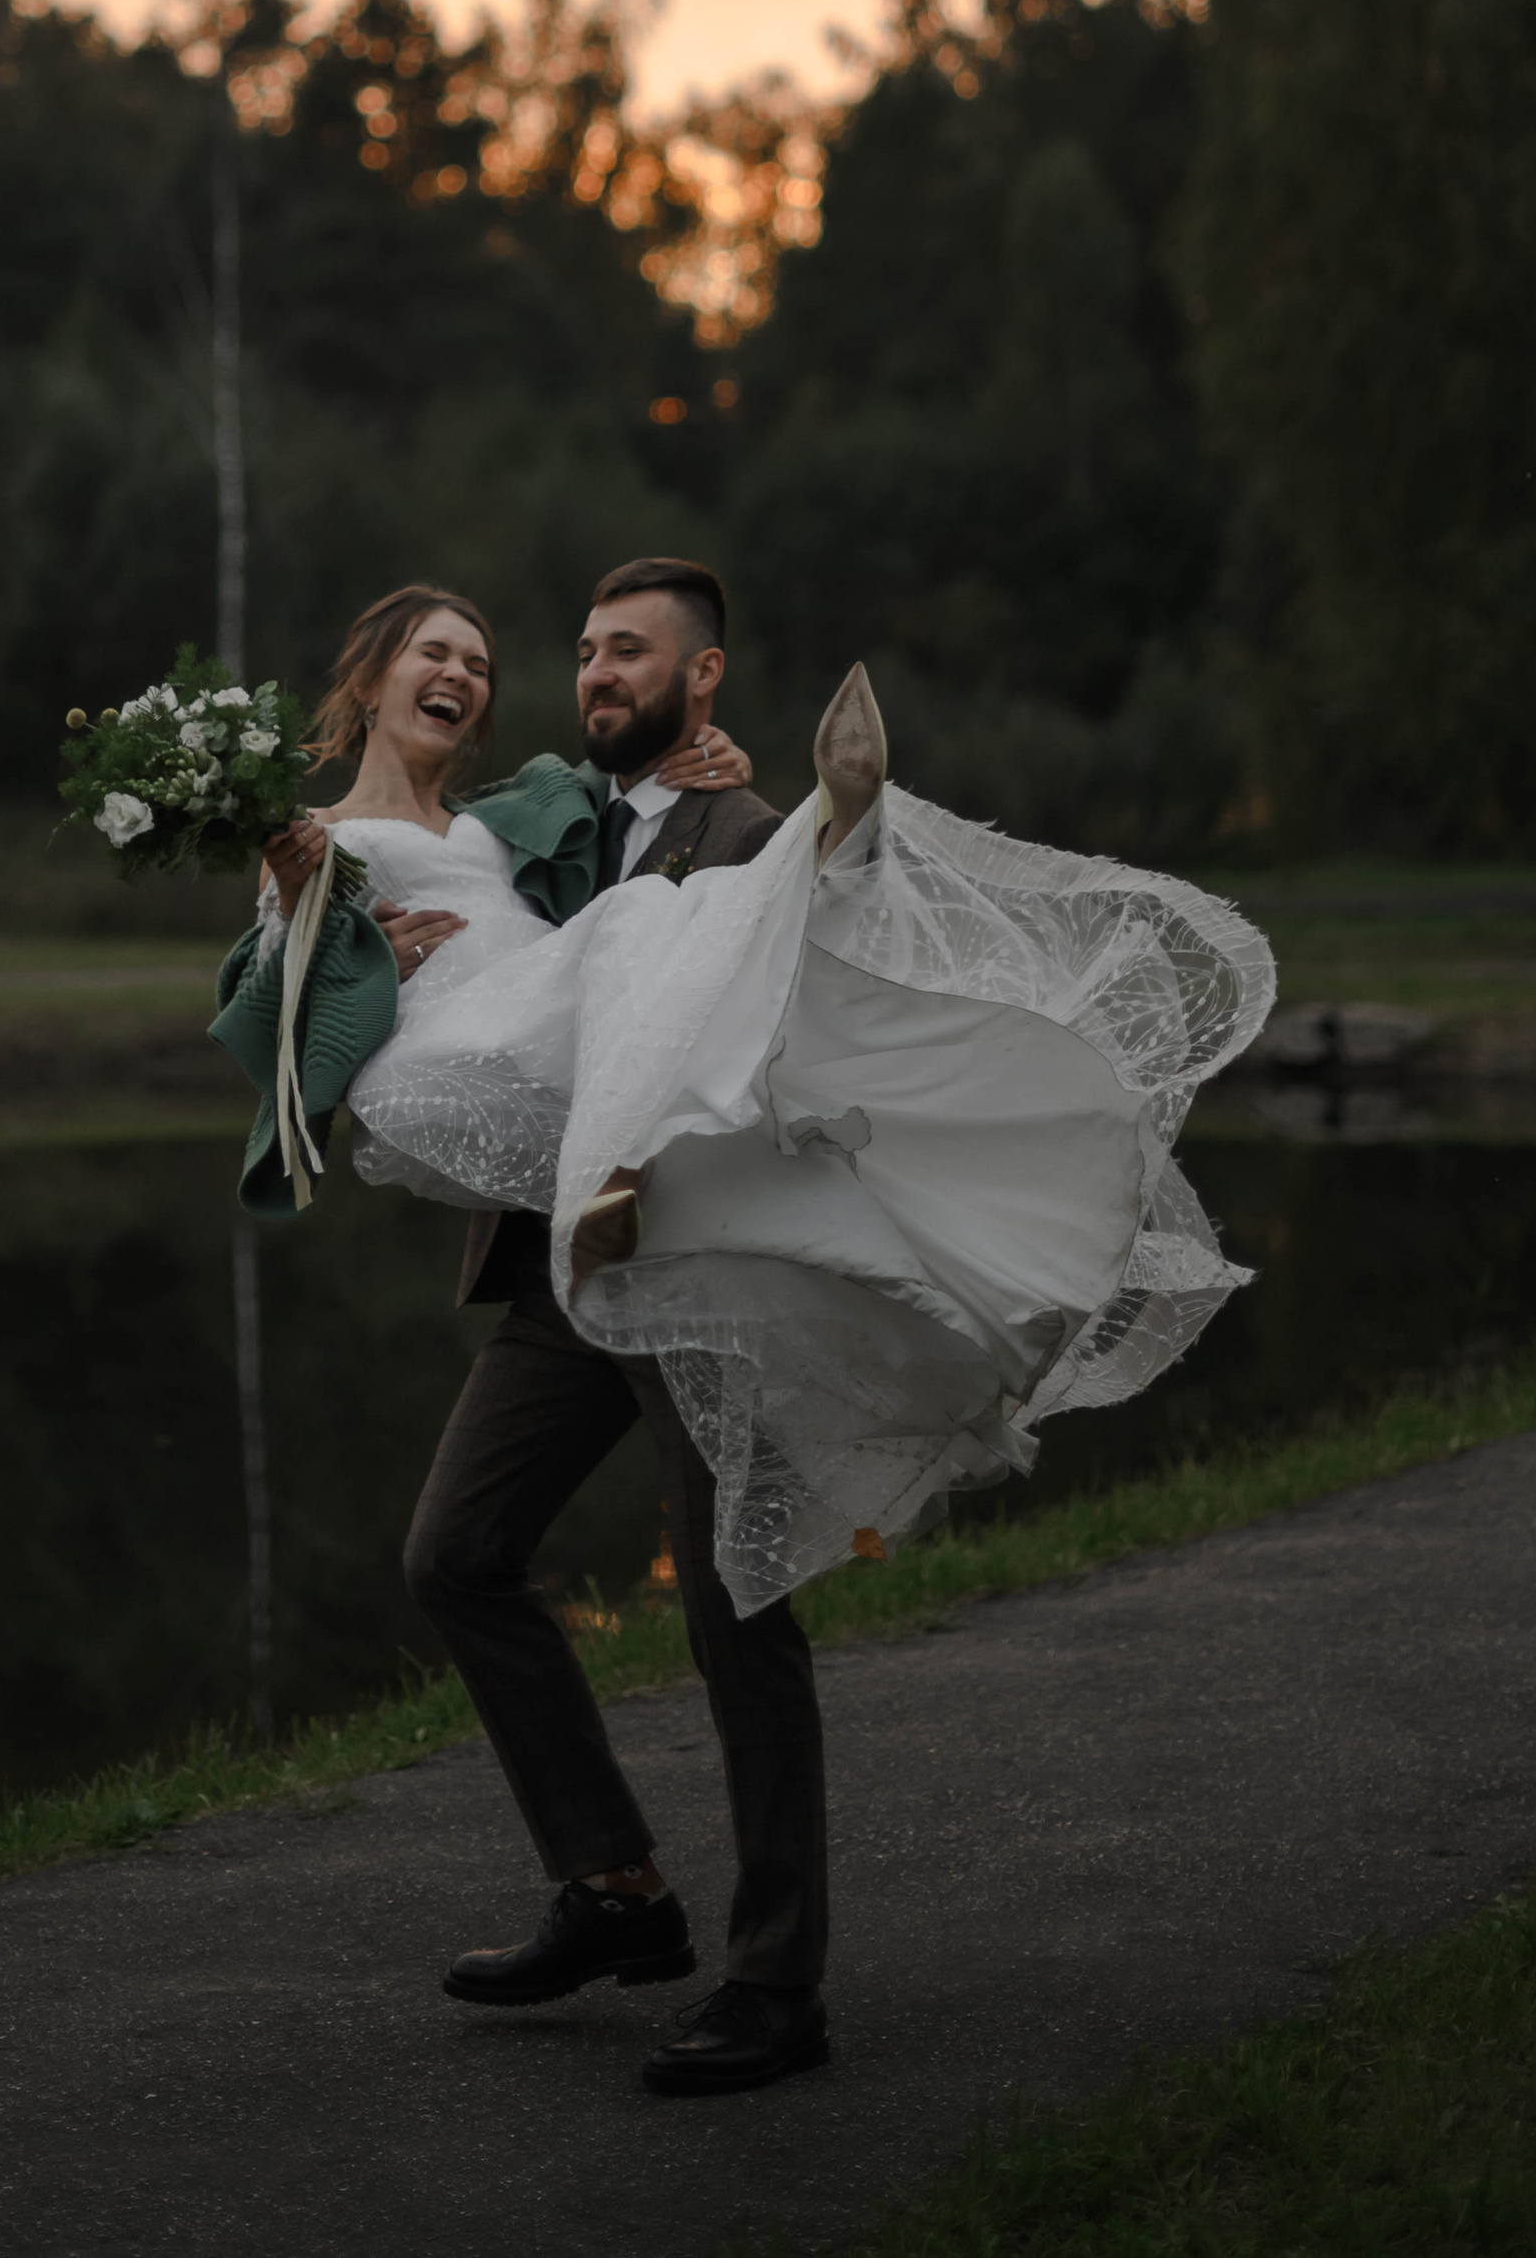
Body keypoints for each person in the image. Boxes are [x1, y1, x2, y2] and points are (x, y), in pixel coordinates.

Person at [224, 560, 1276, 2098]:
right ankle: (615, 1891)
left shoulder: (742, 823)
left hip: (697, 1259)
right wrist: (348, 940)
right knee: (455, 1555)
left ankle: (779, 1983)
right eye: (575, 654)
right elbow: (351, 993)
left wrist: (819, 827)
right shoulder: (547, 817)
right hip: (555, 1274)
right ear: (377, 674)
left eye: (621, 655)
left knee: (736, 1608)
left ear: (700, 681)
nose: (587, 675)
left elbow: (805, 961)